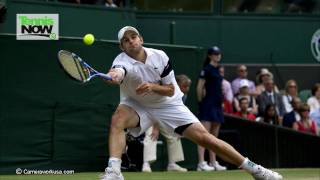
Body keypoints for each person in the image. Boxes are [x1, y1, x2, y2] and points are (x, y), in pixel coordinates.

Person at [100, 26, 282, 180]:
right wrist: (114, 76)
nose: (131, 41)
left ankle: (255, 169)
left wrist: (152, 87)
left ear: (141, 39)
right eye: (126, 40)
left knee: (206, 139)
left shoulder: (160, 56)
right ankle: (114, 171)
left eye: (134, 37)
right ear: (122, 47)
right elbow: (117, 72)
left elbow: (170, 89)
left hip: (168, 103)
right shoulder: (121, 61)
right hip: (137, 104)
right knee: (118, 119)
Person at [141, 74, 191, 173]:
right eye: (185, 86)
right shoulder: (167, 92)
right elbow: (156, 109)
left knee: (174, 134)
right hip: (151, 115)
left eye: (188, 86)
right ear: (177, 85)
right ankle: (146, 164)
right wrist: (156, 128)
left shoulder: (183, 96)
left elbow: (177, 113)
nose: (187, 89)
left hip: (165, 117)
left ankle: (172, 164)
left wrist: (179, 128)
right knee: (151, 134)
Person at [196, 46, 227, 171]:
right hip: (208, 105)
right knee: (204, 135)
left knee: (214, 137)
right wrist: (201, 102)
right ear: (210, 55)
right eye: (215, 54)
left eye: (219, 53)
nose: (217, 55)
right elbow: (199, 87)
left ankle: (213, 162)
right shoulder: (207, 69)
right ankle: (201, 163)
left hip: (217, 105)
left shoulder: (218, 70)